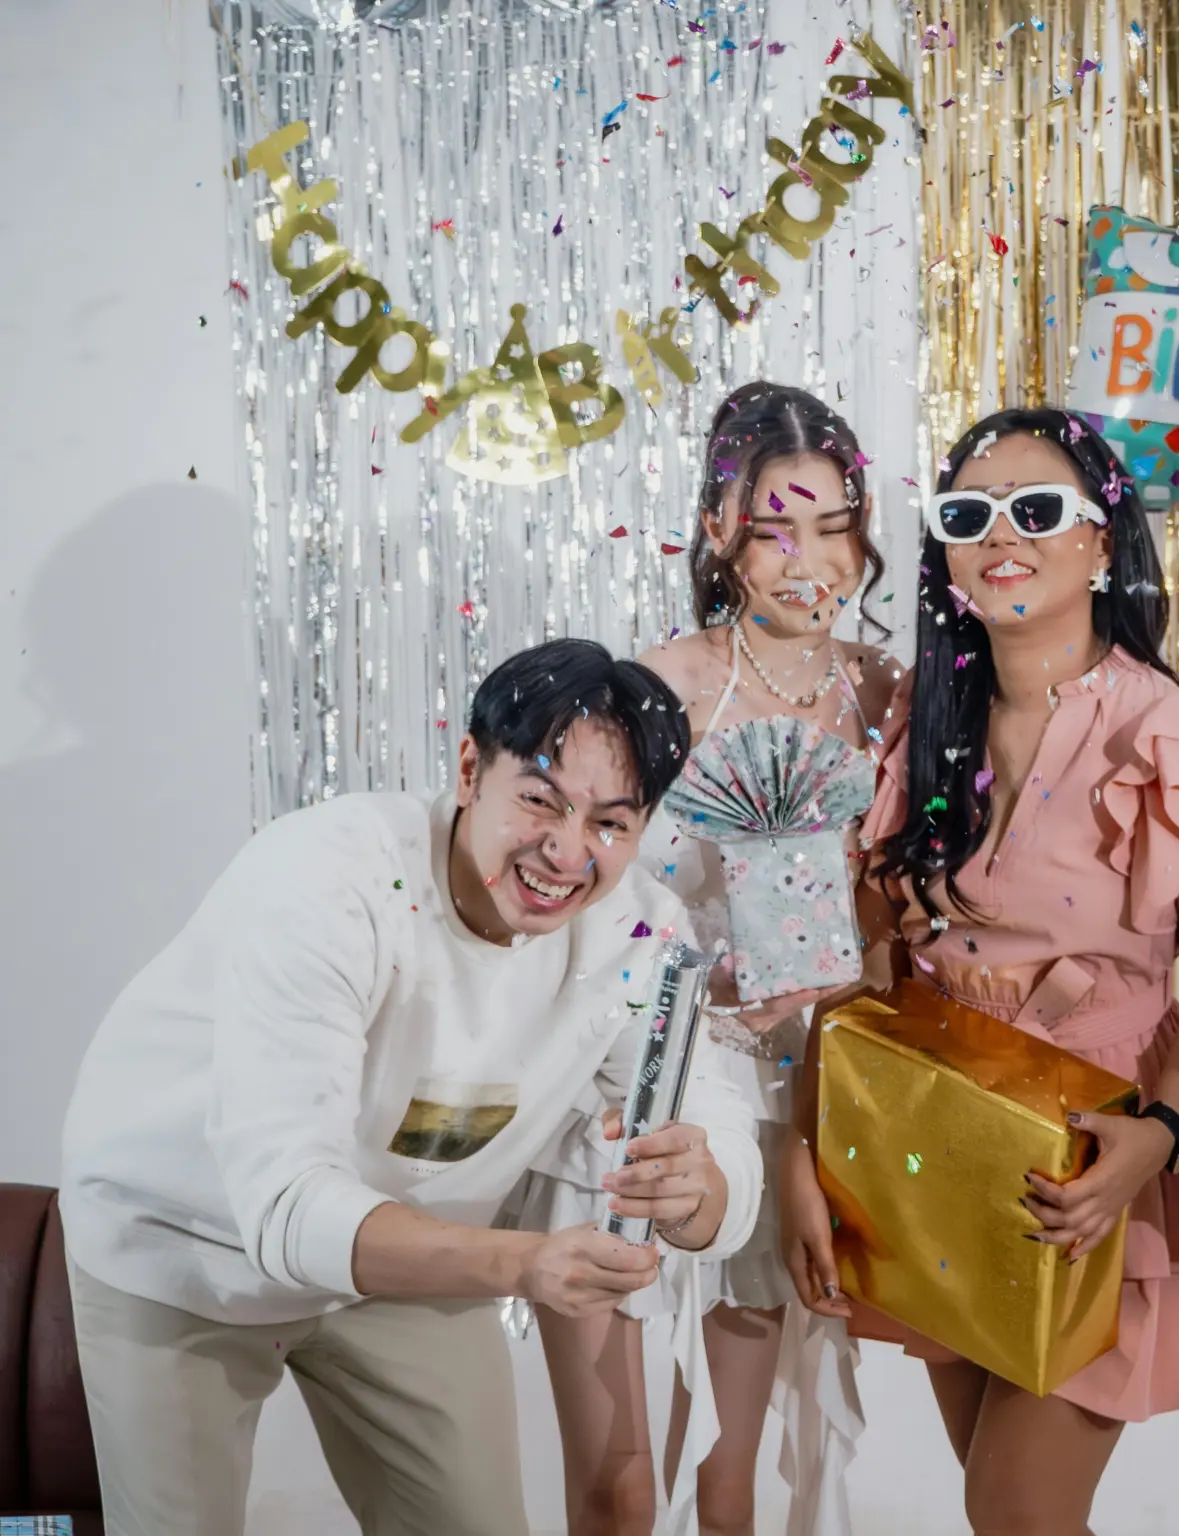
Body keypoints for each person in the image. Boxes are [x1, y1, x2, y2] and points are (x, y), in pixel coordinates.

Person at [58, 639, 764, 1536]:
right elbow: (284, 1210)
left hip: (412, 1265)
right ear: (471, 768)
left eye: (610, 825)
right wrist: (524, 1266)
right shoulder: (330, 879)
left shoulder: (636, 935)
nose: (566, 850)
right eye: (540, 800)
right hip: (186, 1242)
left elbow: (719, 1127)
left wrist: (703, 1187)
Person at [780, 408, 1179, 1534]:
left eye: (1037, 510)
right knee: (1002, 1515)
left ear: (1103, 543)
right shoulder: (919, 726)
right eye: (967, 516)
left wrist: (1158, 1135)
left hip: (1101, 1161)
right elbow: (872, 956)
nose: (1000, 536)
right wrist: (810, 1141)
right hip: (940, 1142)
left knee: (1014, 1512)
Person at [528, 383, 900, 1536]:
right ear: (719, 531)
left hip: (819, 1093)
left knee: (740, 1470)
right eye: (772, 528)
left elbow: (896, 908)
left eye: (832, 526)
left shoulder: (889, 696)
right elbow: (586, 892)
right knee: (624, 1479)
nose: (806, 560)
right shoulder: (659, 687)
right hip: (666, 1083)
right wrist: (710, 976)